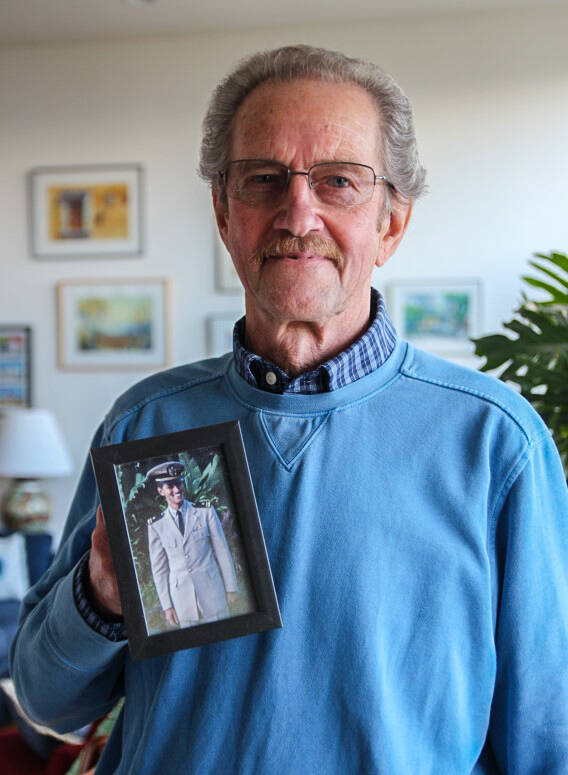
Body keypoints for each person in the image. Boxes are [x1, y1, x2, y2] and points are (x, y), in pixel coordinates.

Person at [10, 45, 568, 773]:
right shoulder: (144, 424)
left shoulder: (494, 442)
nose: (296, 212)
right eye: (263, 179)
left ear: (392, 222)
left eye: (338, 181)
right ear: (224, 210)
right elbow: (48, 699)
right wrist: (100, 597)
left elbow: (545, 740)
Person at [145, 460, 238, 627]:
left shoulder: (205, 512)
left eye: (179, 483)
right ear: (160, 491)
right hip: (182, 601)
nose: (176, 490)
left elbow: (222, 550)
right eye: (169, 486)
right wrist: (167, 606)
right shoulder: (156, 525)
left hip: (213, 594)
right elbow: (159, 569)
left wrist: (231, 587)